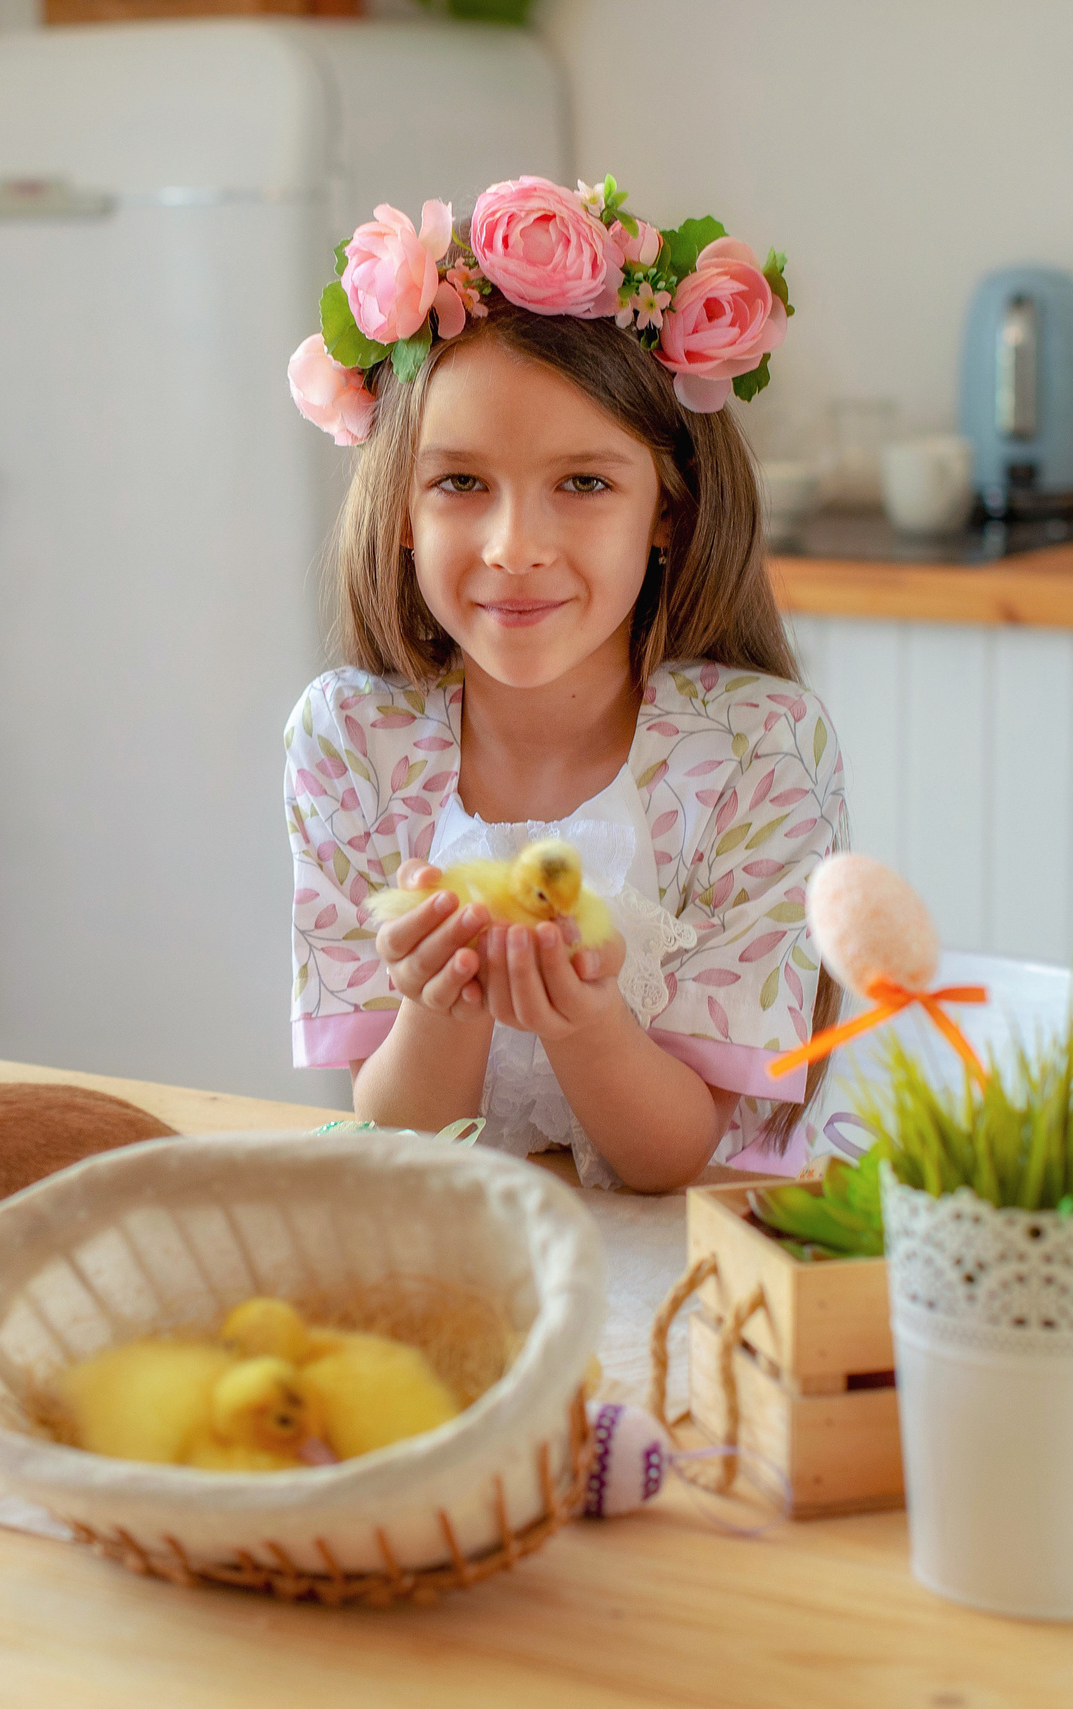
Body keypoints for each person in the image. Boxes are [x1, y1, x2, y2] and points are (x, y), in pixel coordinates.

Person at [284, 176, 847, 1192]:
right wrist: (437, 998)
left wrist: (588, 1019)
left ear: (667, 512)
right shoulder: (348, 739)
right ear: (401, 508)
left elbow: (671, 1159)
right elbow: (403, 1134)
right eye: (460, 482)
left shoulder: (760, 748)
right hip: (459, 1240)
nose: (513, 547)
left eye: (582, 483)